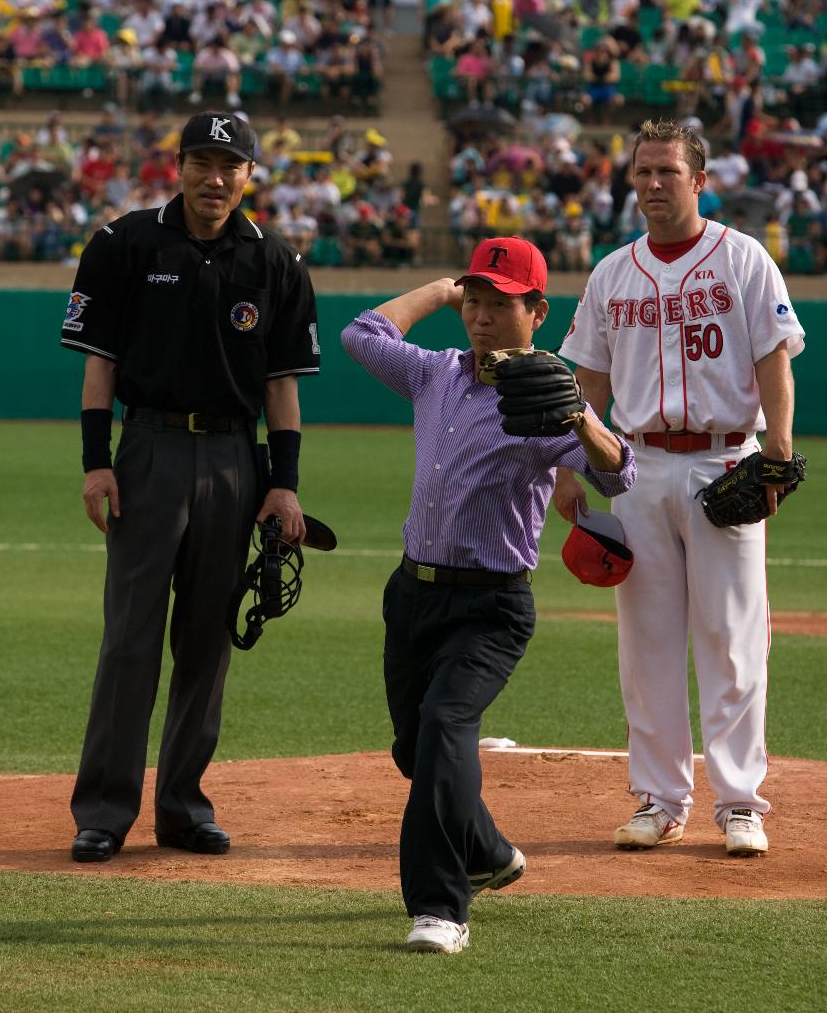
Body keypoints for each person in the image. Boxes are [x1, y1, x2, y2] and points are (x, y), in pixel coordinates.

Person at [341, 237, 634, 954]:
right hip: (411, 595)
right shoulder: (431, 374)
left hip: (491, 608)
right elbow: (361, 333)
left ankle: (439, 909)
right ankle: (492, 853)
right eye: (473, 301)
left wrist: (578, 417)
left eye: (499, 303)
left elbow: (616, 474)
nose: (480, 315)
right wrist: (439, 290)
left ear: (536, 311)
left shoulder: (544, 400)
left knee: (444, 730)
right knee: (418, 752)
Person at [61, 110, 321, 864]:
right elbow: (99, 366)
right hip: (147, 448)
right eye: (201, 163)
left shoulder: (275, 260)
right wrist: (95, 460)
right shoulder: (124, 243)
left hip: (236, 460)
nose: (215, 179)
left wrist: (284, 485)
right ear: (176, 166)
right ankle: (104, 811)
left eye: (229, 166)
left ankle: (182, 808)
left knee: (207, 643)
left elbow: (281, 388)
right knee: (130, 640)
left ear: (250, 175)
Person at [555, 119, 805, 858]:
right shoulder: (612, 272)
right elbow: (587, 382)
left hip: (724, 459)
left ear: (698, 181)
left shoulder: (743, 258)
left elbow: (773, 361)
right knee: (647, 640)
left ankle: (738, 803)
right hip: (632, 464)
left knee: (730, 639)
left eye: (667, 171)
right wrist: (572, 468)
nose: (653, 184)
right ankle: (660, 800)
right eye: (642, 173)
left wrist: (777, 455)